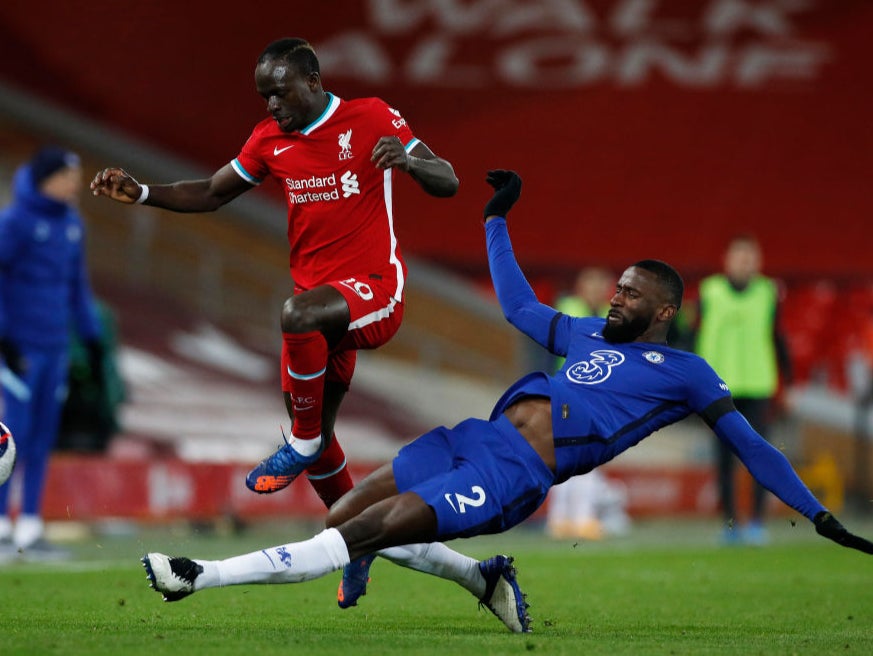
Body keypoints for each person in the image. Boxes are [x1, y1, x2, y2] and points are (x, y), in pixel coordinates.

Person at [141, 170, 873, 632]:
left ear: (661, 311)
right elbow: (520, 307)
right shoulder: (586, 333)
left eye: (629, 293)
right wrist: (496, 219)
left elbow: (751, 445)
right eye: (615, 286)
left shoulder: (685, 372)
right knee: (342, 512)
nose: (613, 295)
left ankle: (197, 578)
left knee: (362, 534)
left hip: (515, 472)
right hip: (472, 435)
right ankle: (480, 576)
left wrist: (814, 513)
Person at [90, 37, 458, 603]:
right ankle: (355, 543)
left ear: (312, 80)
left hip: (374, 291)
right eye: (264, 95)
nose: (271, 105)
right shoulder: (269, 140)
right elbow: (212, 193)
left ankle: (301, 443)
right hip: (322, 310)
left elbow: (448, 179)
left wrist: (408, 161)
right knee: (326, 439)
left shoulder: (372, 116)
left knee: (296, 323)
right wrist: (141, 193)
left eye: (279, 92)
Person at [0, 145, 104, 559]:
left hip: (56, 347)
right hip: (21, 348)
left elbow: (78, 288)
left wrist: (93, 340)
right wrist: (3, 339)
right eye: (68, 178)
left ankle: (29, 526)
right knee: (13, 439)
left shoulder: (72, 226)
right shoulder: (15, 223)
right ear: (48, 179)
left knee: (43, 437)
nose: (75, 186)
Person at [694, 235, 793, 545]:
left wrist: (787, 382)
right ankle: (731, 525)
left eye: (750, 257)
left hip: (758, 385)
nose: (744, 263)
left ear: (758, 262)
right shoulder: (709, 292)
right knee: (723, 459)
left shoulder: (767, 293)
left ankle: (758, 525)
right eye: (739, 257)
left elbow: (778, 338)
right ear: (727, 260)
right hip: (719, 389)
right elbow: (690, 338)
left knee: (760, 456)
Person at [546, 267, 630, 540]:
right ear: (580, 286)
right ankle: (566, 519)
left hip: (599, 397)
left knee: (586, 456)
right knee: (570, 455)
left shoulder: (613, 313)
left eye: (600, 283)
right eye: (590, 282)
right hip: (569, 393)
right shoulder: (567, 308)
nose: (595, 288)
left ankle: (576, 518)